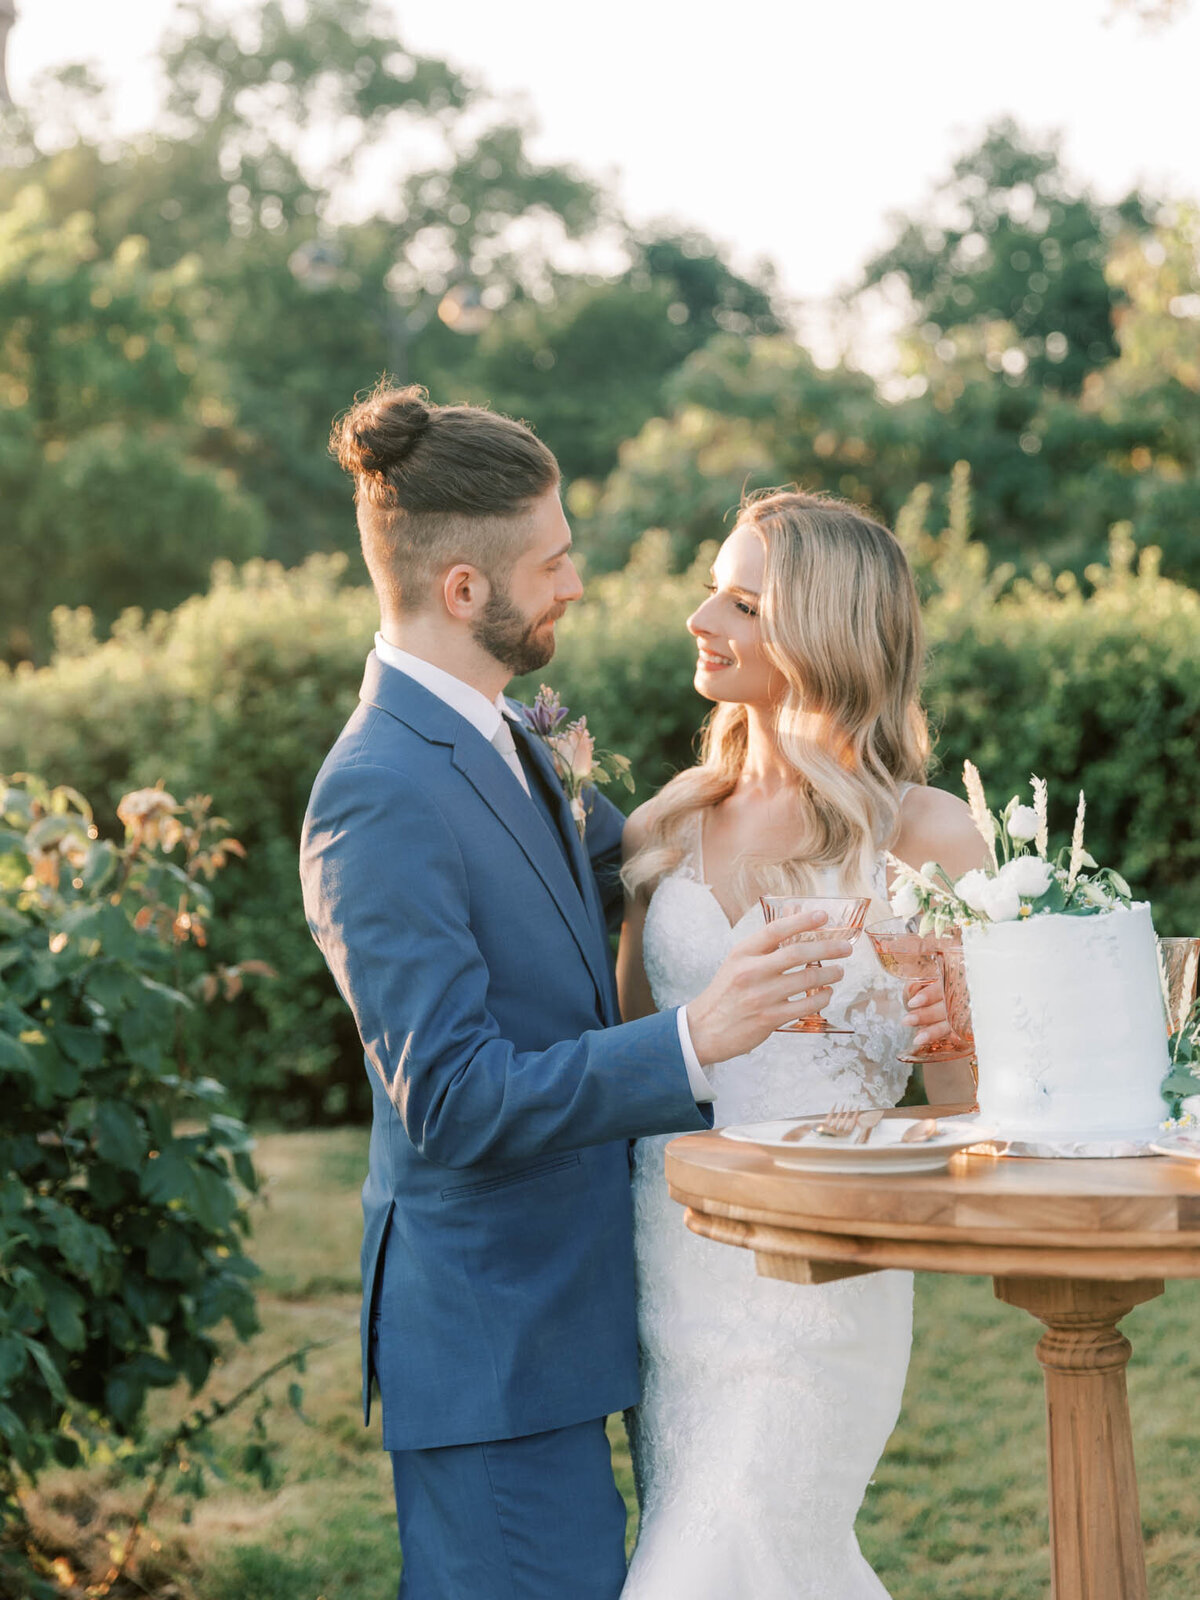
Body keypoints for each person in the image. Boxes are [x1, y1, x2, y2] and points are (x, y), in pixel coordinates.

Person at [299, 388, 854, 1600]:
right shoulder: (378, 791)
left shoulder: (512, 729)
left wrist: (703, 819)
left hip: (590, 1311)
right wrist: (692, 1041)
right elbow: (450, 1099)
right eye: (554, 562)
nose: (577, 584)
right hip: (490, 1341)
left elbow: (603, 873)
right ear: (463, 590)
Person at [616, 489, 989, 1599]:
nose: (702, 616)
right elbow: (631, 1055)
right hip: (671, 1258)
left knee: (723, 1555)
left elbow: (974, 1105)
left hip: (825, 1268)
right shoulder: (664, 824)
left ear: (821, 633)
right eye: (712, 588)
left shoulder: (929, 837)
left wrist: (946, 1028)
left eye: (741, 600)